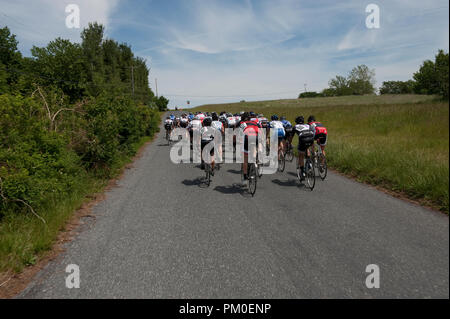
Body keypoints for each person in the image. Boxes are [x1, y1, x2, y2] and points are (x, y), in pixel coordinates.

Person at [239, 112, 260, 180]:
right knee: (254, 152)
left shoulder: (243, 124)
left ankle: (245, 176)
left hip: (247, 139)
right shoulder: (254, 123)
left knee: (245, 159)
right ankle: (255, 164)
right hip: (255, 138)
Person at [294, 116, 315, 180]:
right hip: (311, 138)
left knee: (301, 156)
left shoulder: (296, 126)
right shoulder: (307, 125)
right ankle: (309, 162)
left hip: (303, 139)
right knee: (307, 147)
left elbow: (290, 136)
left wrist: (289, 143)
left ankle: (303, 172)